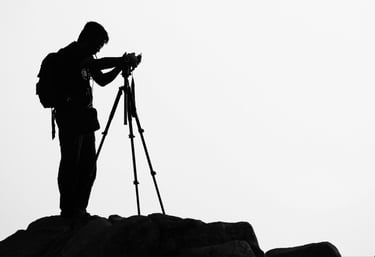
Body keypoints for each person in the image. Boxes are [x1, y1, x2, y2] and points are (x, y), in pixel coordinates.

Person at [55, 21, 136, 218]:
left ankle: (80, 208)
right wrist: (120, 60)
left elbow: (101, 80)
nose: (98, 50)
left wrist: (121, 67)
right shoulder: (71, 54)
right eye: (98, 45)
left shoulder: (87, 57)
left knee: (89, 164)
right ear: (88, 38)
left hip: (84, 117)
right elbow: (95, 64)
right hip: (69, 116)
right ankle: (68, 209)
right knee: (71, 162)